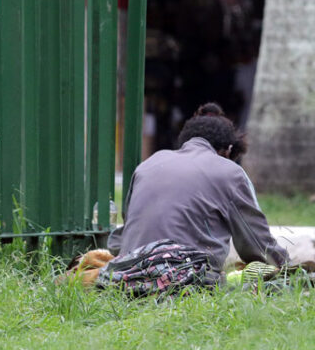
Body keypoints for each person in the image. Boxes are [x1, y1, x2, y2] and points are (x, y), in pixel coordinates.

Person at [108, 103, 289, 271]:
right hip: (186, 276)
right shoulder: (230, 171)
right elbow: (257, 243)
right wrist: (289, 267)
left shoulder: (148, 165)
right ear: (227, 150)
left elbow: (122, 236)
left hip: (127, 275)